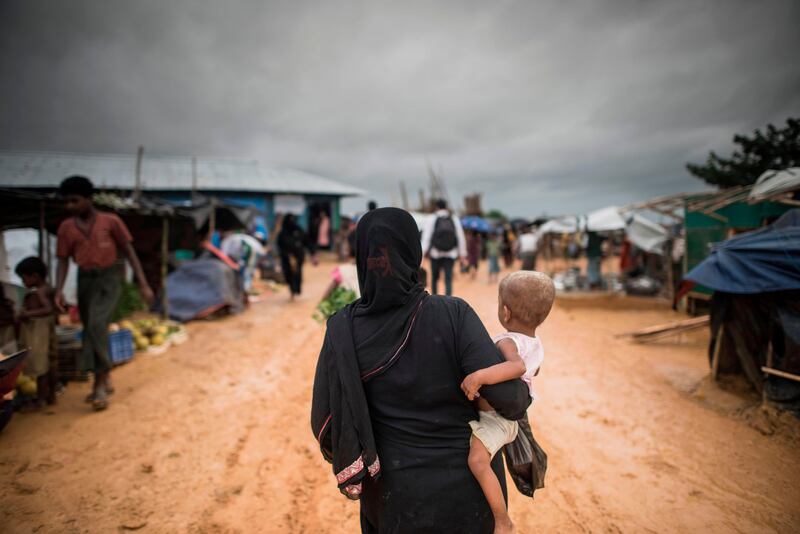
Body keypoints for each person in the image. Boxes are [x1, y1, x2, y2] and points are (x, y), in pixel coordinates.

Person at [311, 208, 531, 533]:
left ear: (361, 256)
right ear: (415, 253)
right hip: (468, 499)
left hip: (392, 501)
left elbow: (328, 427)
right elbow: (510, 400)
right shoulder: (453, 314)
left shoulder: (342, 329)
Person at [460, 271, 555, 534]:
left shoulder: (508, 341)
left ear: (505, 311)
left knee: (477, 462)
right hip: (510, 417)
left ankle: (503, 520)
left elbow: (517, 367)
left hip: (497, 420)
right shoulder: (536, 343)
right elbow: (533, 372)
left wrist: (480, 376)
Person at [54, 176, 154, 411]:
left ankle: (98, 384)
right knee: (90, 328)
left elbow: (129, 252)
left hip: (109, 278)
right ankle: (104, 372)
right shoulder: (66, 228)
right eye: (67, 202)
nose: (70, 206)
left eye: (75, 201)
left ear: (89, 199)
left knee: (98, 324)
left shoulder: (111, 221)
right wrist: (58, 290)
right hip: (85, 280)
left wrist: (143, 284)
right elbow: (62, 261)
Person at [14, 257, 58, 409]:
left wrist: (28, 314)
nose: (22, 282)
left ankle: (40, 399)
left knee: (40, 366)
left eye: (23, 278)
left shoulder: (38, 291)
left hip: (39, 330)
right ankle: (51, 395)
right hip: (47, 327)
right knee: (50, 363)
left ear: (35, 276)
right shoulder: (48, 288)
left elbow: (48, 309)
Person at [420, 199, 467, 296]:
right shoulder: (454, 218)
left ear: (436, 207)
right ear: (446, 207)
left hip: (435, 253)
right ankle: (448, 301)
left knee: (434, 278)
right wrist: (462, 255)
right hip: (451, 253)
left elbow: (426, 237)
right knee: (448, 279)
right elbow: (460, 236)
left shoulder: (432, 218)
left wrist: (422, 256)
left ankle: (434, 299)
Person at [276, 214, 317, 300]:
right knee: (288, 274)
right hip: (286, 258)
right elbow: (279, 246)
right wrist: (284, 255)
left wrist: (313, 254)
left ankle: (296, 290)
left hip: (298, 257)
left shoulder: (299, 230)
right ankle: (292, 290)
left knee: (297, 274)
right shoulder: (283, 233)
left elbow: (307, 242)